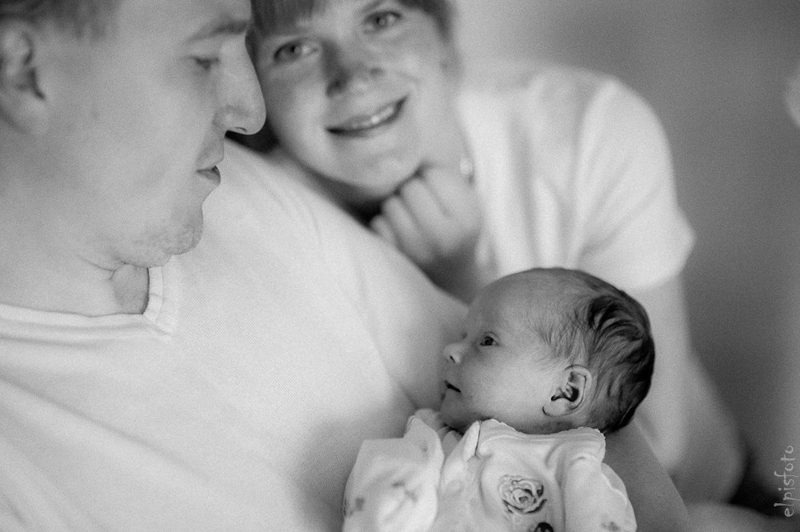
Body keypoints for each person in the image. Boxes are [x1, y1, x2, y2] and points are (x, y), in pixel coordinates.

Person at [0, 1, 689, 530]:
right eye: (204, 57)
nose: (247, 112)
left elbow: (601, 425)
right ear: (22, 69)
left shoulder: (243, 196)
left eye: (382, 17)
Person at [244, 0, 745, 503]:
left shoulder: (589, 130)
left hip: (703, 492)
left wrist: (461, 279)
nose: (352, 75)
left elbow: (658, 449)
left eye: (381, 19)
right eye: (294, 48)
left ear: (442, 35)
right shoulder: (261, 212)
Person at [343, 267, 651, 532]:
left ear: (565, 392)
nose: (450, 349)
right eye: (463, 336)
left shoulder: (576, 466)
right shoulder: (431, 433)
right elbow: (382, 478)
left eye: (487, 341)